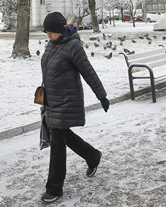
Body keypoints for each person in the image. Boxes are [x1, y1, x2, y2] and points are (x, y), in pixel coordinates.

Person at [40, 11, 110, 204]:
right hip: (52, 101)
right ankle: (93, 156)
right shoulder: (52, 44)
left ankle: (54, 188)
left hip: (67, 100)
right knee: (62, 135)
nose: (48, 36)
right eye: (46, 33)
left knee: (58, 143)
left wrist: (102, 96)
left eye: (51, 32)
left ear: (60, 30)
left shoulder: (73, 46)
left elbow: (88, 71)